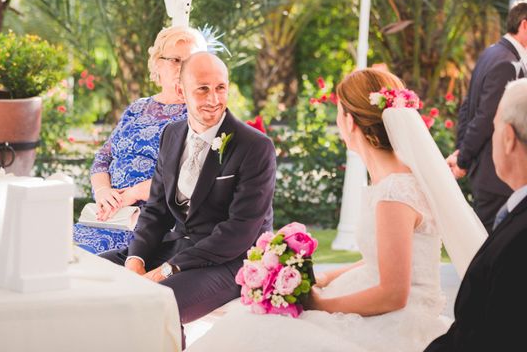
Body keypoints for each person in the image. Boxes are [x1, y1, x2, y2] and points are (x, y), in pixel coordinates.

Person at [189, 68, 486, 352]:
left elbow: (394, 294)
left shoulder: (394, 193)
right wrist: (329, 278)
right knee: (255, 324)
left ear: (349, 121)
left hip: (396, 323)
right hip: (380, 299)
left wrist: (318, 305)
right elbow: (387, 258)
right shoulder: (396, 179)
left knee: (262, 332)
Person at [100, 52, 276, 327]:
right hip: (177, 245)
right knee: (91, 277)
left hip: (229, 261)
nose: (214, 99)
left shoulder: (255, 147)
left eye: (220, 88)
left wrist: (165, 271)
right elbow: (156, 210)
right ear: (182, 91)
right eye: (203, 89)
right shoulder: (172, 134)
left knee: (154, 305)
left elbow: (239, 231)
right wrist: (136, 260)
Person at [74, 25, 207, 255]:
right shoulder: (138, 107)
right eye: (175, 60)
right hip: (109, 213)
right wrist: (104, 192)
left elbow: (188, 175)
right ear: (158, 63)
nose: (183, 68)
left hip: (152, 220)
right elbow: (104, 157)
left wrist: (133, 194)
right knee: (62, 257)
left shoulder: (199, 115)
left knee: (96, 267)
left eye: (191, 61)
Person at [426, 78, 527, 352]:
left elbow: (493, 335)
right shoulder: (514, 216)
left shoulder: (520, 238)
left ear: (508, 138)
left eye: (493, 129)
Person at [447, 0, 527, 231]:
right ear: (524, 25)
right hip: (496, 177)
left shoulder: (492, 53)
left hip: (486, 173)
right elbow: (485, 117)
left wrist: (463, 151)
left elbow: (467, 107)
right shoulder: (508, 63)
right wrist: (463, 160)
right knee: (491, 252)